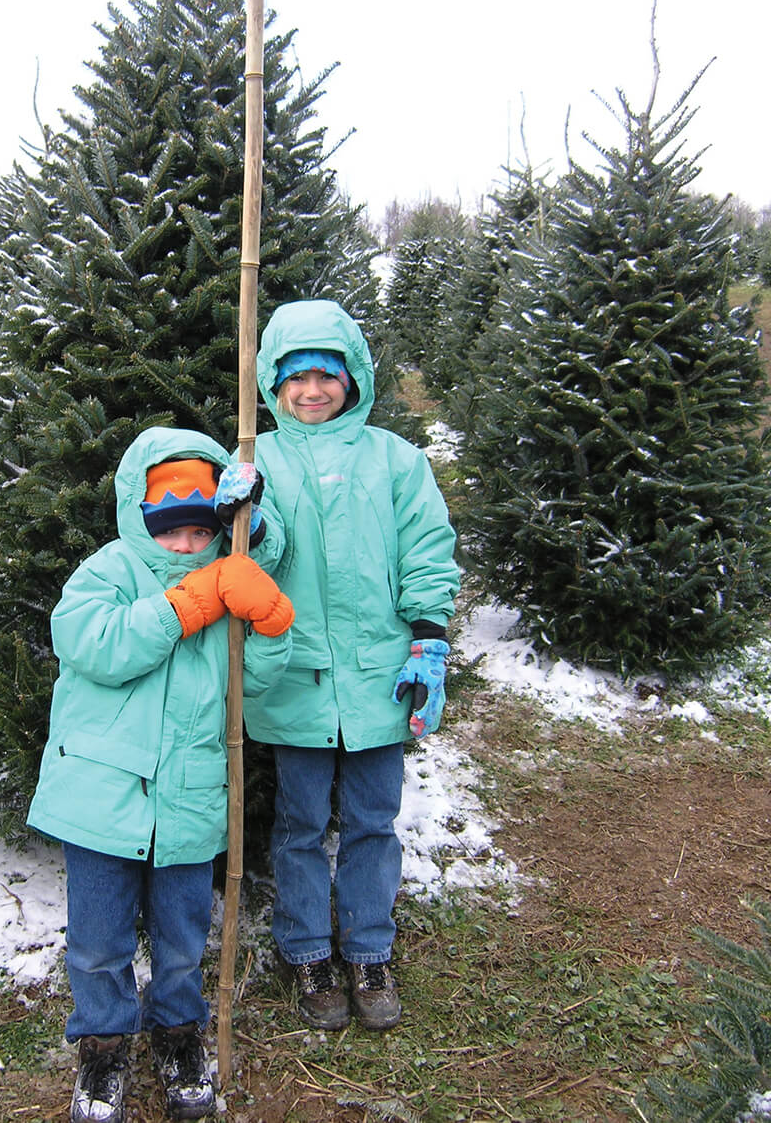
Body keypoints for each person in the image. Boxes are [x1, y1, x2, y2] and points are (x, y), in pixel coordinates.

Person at [28, 426, 294, 1123]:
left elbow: (254, 686)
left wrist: (267, 620)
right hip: (99, 801)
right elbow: (95, 645)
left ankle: (179, 1032)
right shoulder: (108, 572)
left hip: (188, 797)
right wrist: (191, 601)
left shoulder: (227, 582)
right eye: (168, 529)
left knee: (181, 935)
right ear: (139, 517)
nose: (183, 545)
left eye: (197, 531)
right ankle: (103, 1043)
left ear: (216, 528)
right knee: (97, 939)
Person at [243, 298, 460, 1033]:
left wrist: (427, 637)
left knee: (374, 817)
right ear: (273, 386)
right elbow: (248, 566)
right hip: (297, 681)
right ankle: (306, 949)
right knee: (300, 822)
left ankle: (369, 947)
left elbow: (427, 551)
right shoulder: (255, 460)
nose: (312, 391)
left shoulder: (395, 461)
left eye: (326, 375)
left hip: (378, 680)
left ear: (353, 378)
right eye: (295, 377)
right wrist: (249, 519)